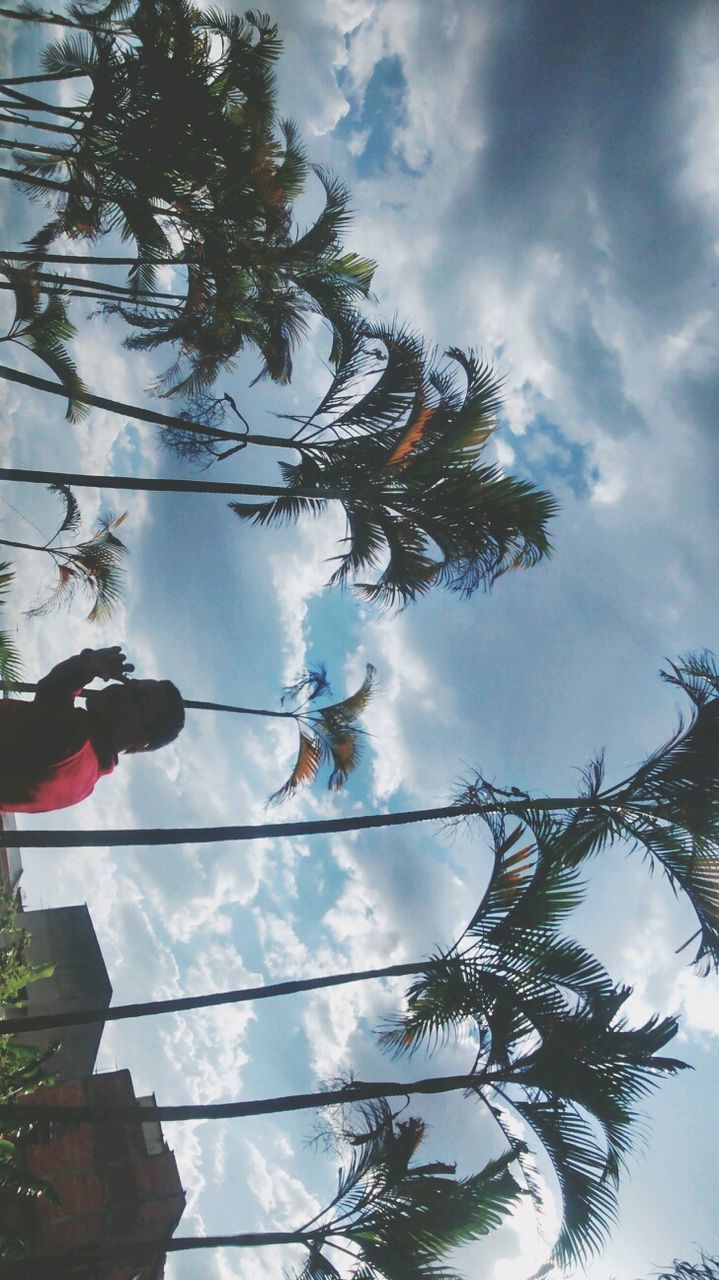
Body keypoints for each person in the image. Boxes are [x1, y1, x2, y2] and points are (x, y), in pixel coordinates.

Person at [0, 646, 185, 814]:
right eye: (130, 684)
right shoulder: (86, 783)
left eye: (137, 699)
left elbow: (52, 692)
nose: (122, 691)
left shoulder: (75, 740)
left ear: (139, 739)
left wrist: (86, 666)